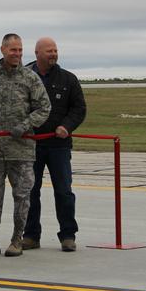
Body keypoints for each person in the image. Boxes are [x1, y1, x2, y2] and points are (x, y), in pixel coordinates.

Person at [0, 33, 51, 257]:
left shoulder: (30, 78)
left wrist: (25, 124)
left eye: (20, 50)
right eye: (13, 50)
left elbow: (44, 108)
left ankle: (17, 239)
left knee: (22, 197)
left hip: (21, 151)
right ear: (2, 50)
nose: (17, 54)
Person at [24, 37, 87, 252]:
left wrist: (66, 127)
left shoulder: (68, 79)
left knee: (64, 191)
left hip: (59, 146)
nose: (53, 54)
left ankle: (68, 235)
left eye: (55, 50)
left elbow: (79, 108)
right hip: (31, 145)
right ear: (37, 53)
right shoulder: (24, 77)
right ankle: (31, 235)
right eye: (49, 51)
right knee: (30, 191)